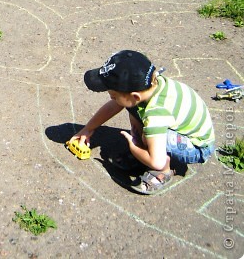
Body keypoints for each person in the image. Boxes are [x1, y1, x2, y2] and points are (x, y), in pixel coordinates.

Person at [70, 50, 215, 194]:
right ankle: (146, 149)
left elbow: (155, 161)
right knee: (132, 109)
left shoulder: (155, 114)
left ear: (134, 96)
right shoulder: (152, 86)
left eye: (113, 95)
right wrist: (88, 128)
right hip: (183, 128)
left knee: (149, 137)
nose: (111, 98)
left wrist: (134, 147)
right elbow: (114, 106)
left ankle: (163, 171)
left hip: (197, 147)